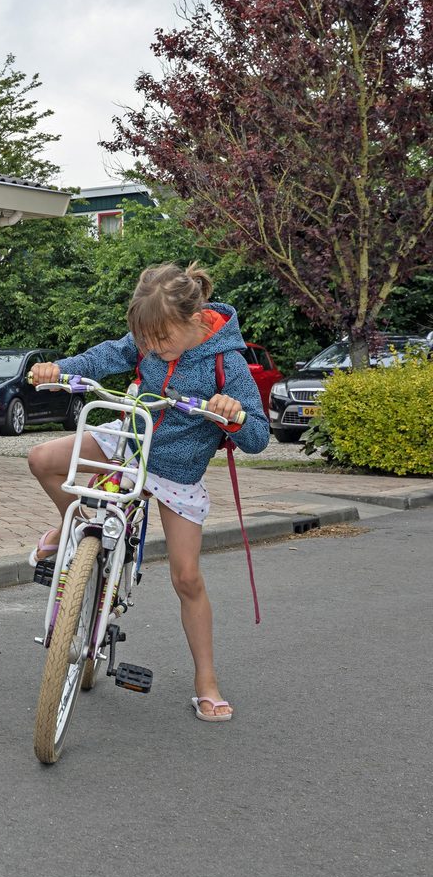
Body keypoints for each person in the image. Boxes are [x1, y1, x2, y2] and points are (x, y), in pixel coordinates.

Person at [25, 262, 270, 722]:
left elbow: (258, 436)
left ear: (195, 320)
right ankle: (70, 523)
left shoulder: (226, 361)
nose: (153, 349)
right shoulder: (148, 341)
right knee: (42, 458)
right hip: (129, 444)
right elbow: (104, 357)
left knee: (187, 578)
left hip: (177, 473)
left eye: (162, 340)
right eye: (146, 342)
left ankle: (206, 681)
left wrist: (232, 413)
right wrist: (60, 368)